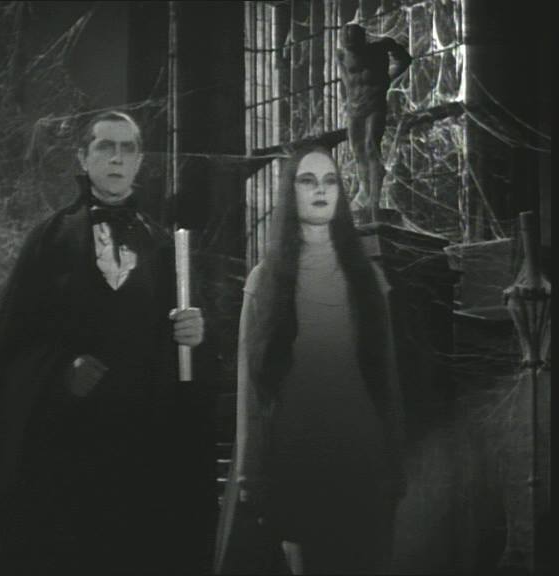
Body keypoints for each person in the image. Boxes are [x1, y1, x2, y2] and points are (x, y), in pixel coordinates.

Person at [0, 110, 215, 574]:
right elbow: (13, 345)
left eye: (128, 148)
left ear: (139, 162)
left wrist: (194, 335)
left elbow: (181, 352)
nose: (117, 158)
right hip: (67, 442)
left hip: (141, 444)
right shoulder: (50, 240)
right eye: (105, 146)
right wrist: (59, 374)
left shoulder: (162, 247)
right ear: (83, 157)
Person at [215, 145, 407, 574]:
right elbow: (251, 388)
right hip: (295, 461)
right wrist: (249, 476)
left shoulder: (368, 280)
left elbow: (388, 379)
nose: (320, 189)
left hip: (360, 459)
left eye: (330, 180)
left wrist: (396, 464)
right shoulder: (265, 282)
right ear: (291, 192)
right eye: (308, 180)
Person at [337, 23, 412, 222]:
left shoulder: (380, 48)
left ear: (363, 41)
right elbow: (348, 82)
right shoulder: (342, 56)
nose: (351, 50)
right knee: (358, 152)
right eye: (348, 46)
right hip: (354, 108)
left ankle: (374, 200)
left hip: (374, 105)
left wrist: (386, 79)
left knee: (371, 147)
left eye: (354, 46)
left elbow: (405, 60)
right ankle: (366, 193)